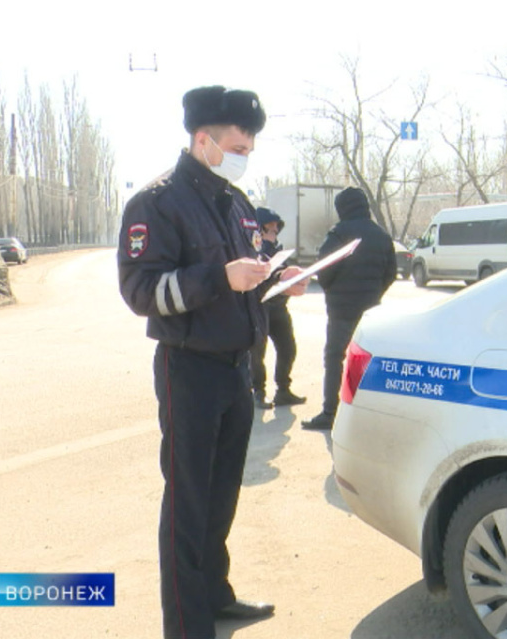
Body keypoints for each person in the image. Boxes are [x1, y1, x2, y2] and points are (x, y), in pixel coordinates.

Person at [117, 85, 307, 639]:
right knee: (188, 504)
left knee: (222, 494)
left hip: (235, 371)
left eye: (250, 146)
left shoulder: (234, 201)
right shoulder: (157, 202)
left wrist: (277, 277)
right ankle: (185, 622)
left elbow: (251, 268)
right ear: (203, 140)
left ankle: (216, 597)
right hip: (189, 371)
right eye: (237, 144)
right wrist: (218, 278)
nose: (245, 154)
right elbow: (140, 292)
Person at [301, 186, 397, 431]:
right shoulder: (381, 236)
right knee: (365, 362)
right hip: (370, 311)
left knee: (335, 358)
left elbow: (324, 270)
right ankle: (364, 414)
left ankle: (330, 413)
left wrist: (333, 290)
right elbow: (391, 274)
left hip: (341, 311)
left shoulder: (339, 234)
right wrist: (374, 293)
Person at [250, 207, 307, 409]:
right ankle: (258, 391)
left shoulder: (280, 252)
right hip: (261, 308)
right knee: (257, 353)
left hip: (279, 308)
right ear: (261, 230)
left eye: (276, 230)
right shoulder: (254, 250)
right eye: (270, 230)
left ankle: (283, 389)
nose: (274, 234)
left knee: (288, 348)